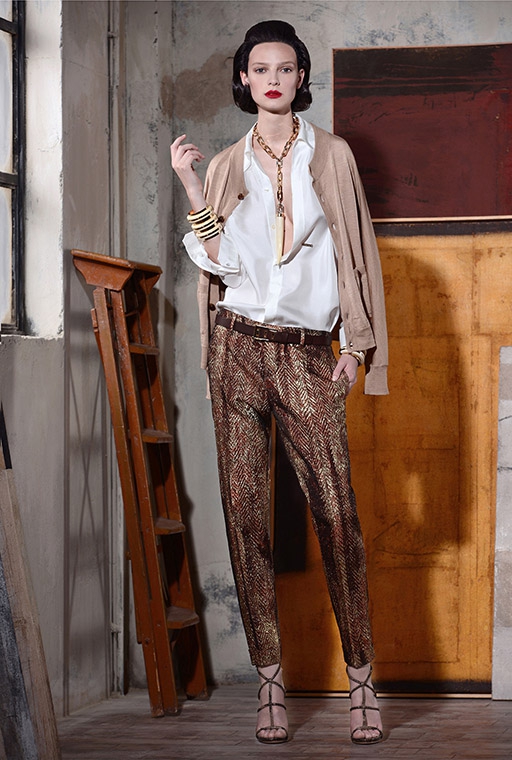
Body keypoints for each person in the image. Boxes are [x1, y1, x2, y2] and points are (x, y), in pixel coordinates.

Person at [171, 19, 387, 746]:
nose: (272, 78)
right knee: (245, 517)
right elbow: (220, 259)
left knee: (338, 518)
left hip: (306, 354)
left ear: (300, 78)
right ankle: (270, 683)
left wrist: (356, 347)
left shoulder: (333, 155)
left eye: (285, 68)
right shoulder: (227, 164)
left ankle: (362, 680)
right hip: (236, 349)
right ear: (243, 78)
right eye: (260, 68)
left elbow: (356, 250)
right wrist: (192, 184)